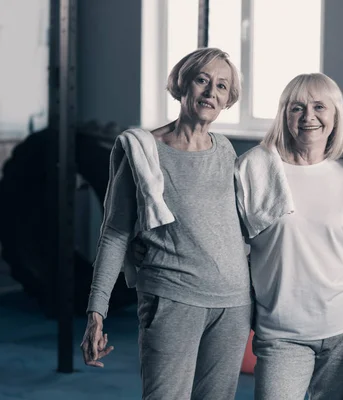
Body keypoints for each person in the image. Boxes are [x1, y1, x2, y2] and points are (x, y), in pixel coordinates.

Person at [80, 47, 253, 400]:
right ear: (182, 84)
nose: (210, 93)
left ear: (228, 99)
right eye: (202, 80)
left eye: (221, 86)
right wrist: (97, 310)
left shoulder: (225, 150)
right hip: (173, 299)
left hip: (233, 305)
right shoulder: (144, 151)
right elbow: (114, 233)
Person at [234, 73, 343, 400]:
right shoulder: (254, 168)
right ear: (284, 115)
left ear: (335, 115)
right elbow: (227, 240)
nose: (308, 117)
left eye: (319, 107)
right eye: (296, 108)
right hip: (281, 329)